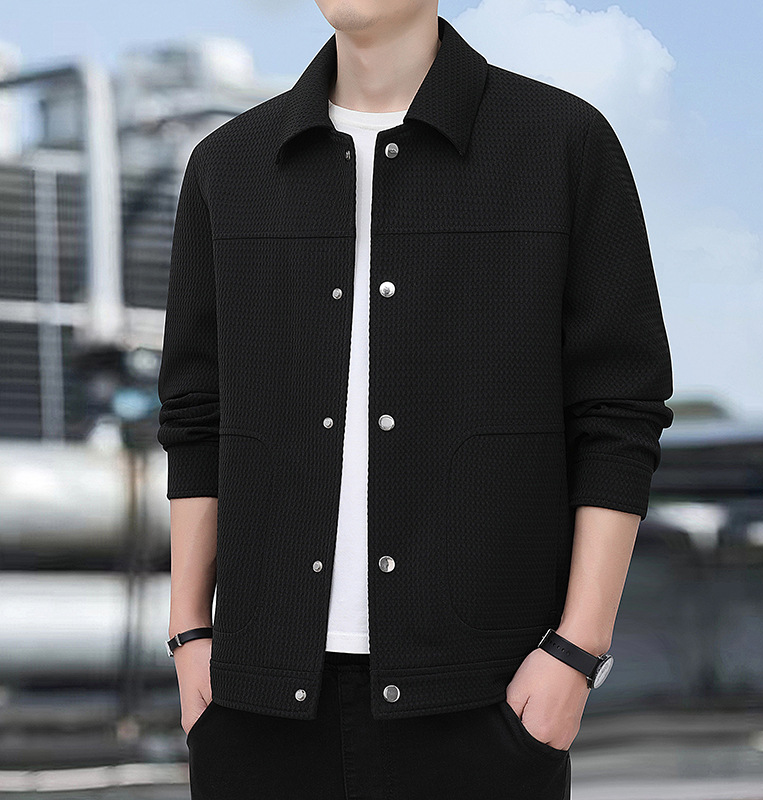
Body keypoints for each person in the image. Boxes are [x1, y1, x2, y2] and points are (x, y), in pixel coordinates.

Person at [157, 2, 674, 798]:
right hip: (253, 701)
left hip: (485, 699)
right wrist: (190, 633)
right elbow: (197, 415)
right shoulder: (228, 166)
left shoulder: (561, 145)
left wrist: (576, 651)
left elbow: (619, 413)